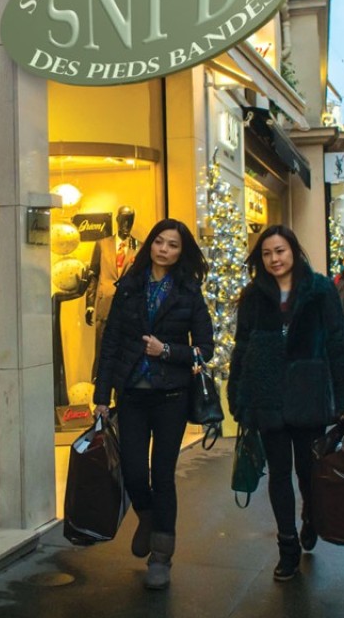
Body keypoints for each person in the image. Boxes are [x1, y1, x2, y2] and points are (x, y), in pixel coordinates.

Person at [228, 225, 344, 582]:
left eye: (280, 251)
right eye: (267, 253)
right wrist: (238, 394)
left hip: (308, 394)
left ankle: (311, 517)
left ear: (294, 251)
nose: (274, 259)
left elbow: (338, 343)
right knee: (278, 474)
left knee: (308, 471)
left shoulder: (319, 290)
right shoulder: (253, 295)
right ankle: (287, 547)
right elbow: (242, 346)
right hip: (267, 395)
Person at [92, 219, 213, 590]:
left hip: (171, 397)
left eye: (173, 245)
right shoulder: (130, 286)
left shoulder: (189, 292)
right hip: (131, 395)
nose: (164, 250)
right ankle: (147, 516)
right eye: (159, 242)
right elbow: (111, 343)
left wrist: (168, 351)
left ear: (181, 251)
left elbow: (204, 349)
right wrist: (101, 396)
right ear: (151, 246)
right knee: (132, 471)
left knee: (162, 475)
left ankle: (161, 557)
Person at [86, 206, 140, 380]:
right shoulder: (102, 244)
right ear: (117, 220)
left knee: (126, 353)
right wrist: (90, 304)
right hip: (105, 305)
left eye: (130, 221)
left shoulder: (139, 246)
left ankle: (122, 389)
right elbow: (93, 275)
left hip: (129, 308)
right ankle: (99, 387)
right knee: (102, 350)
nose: (127, 225)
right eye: (124, 220)